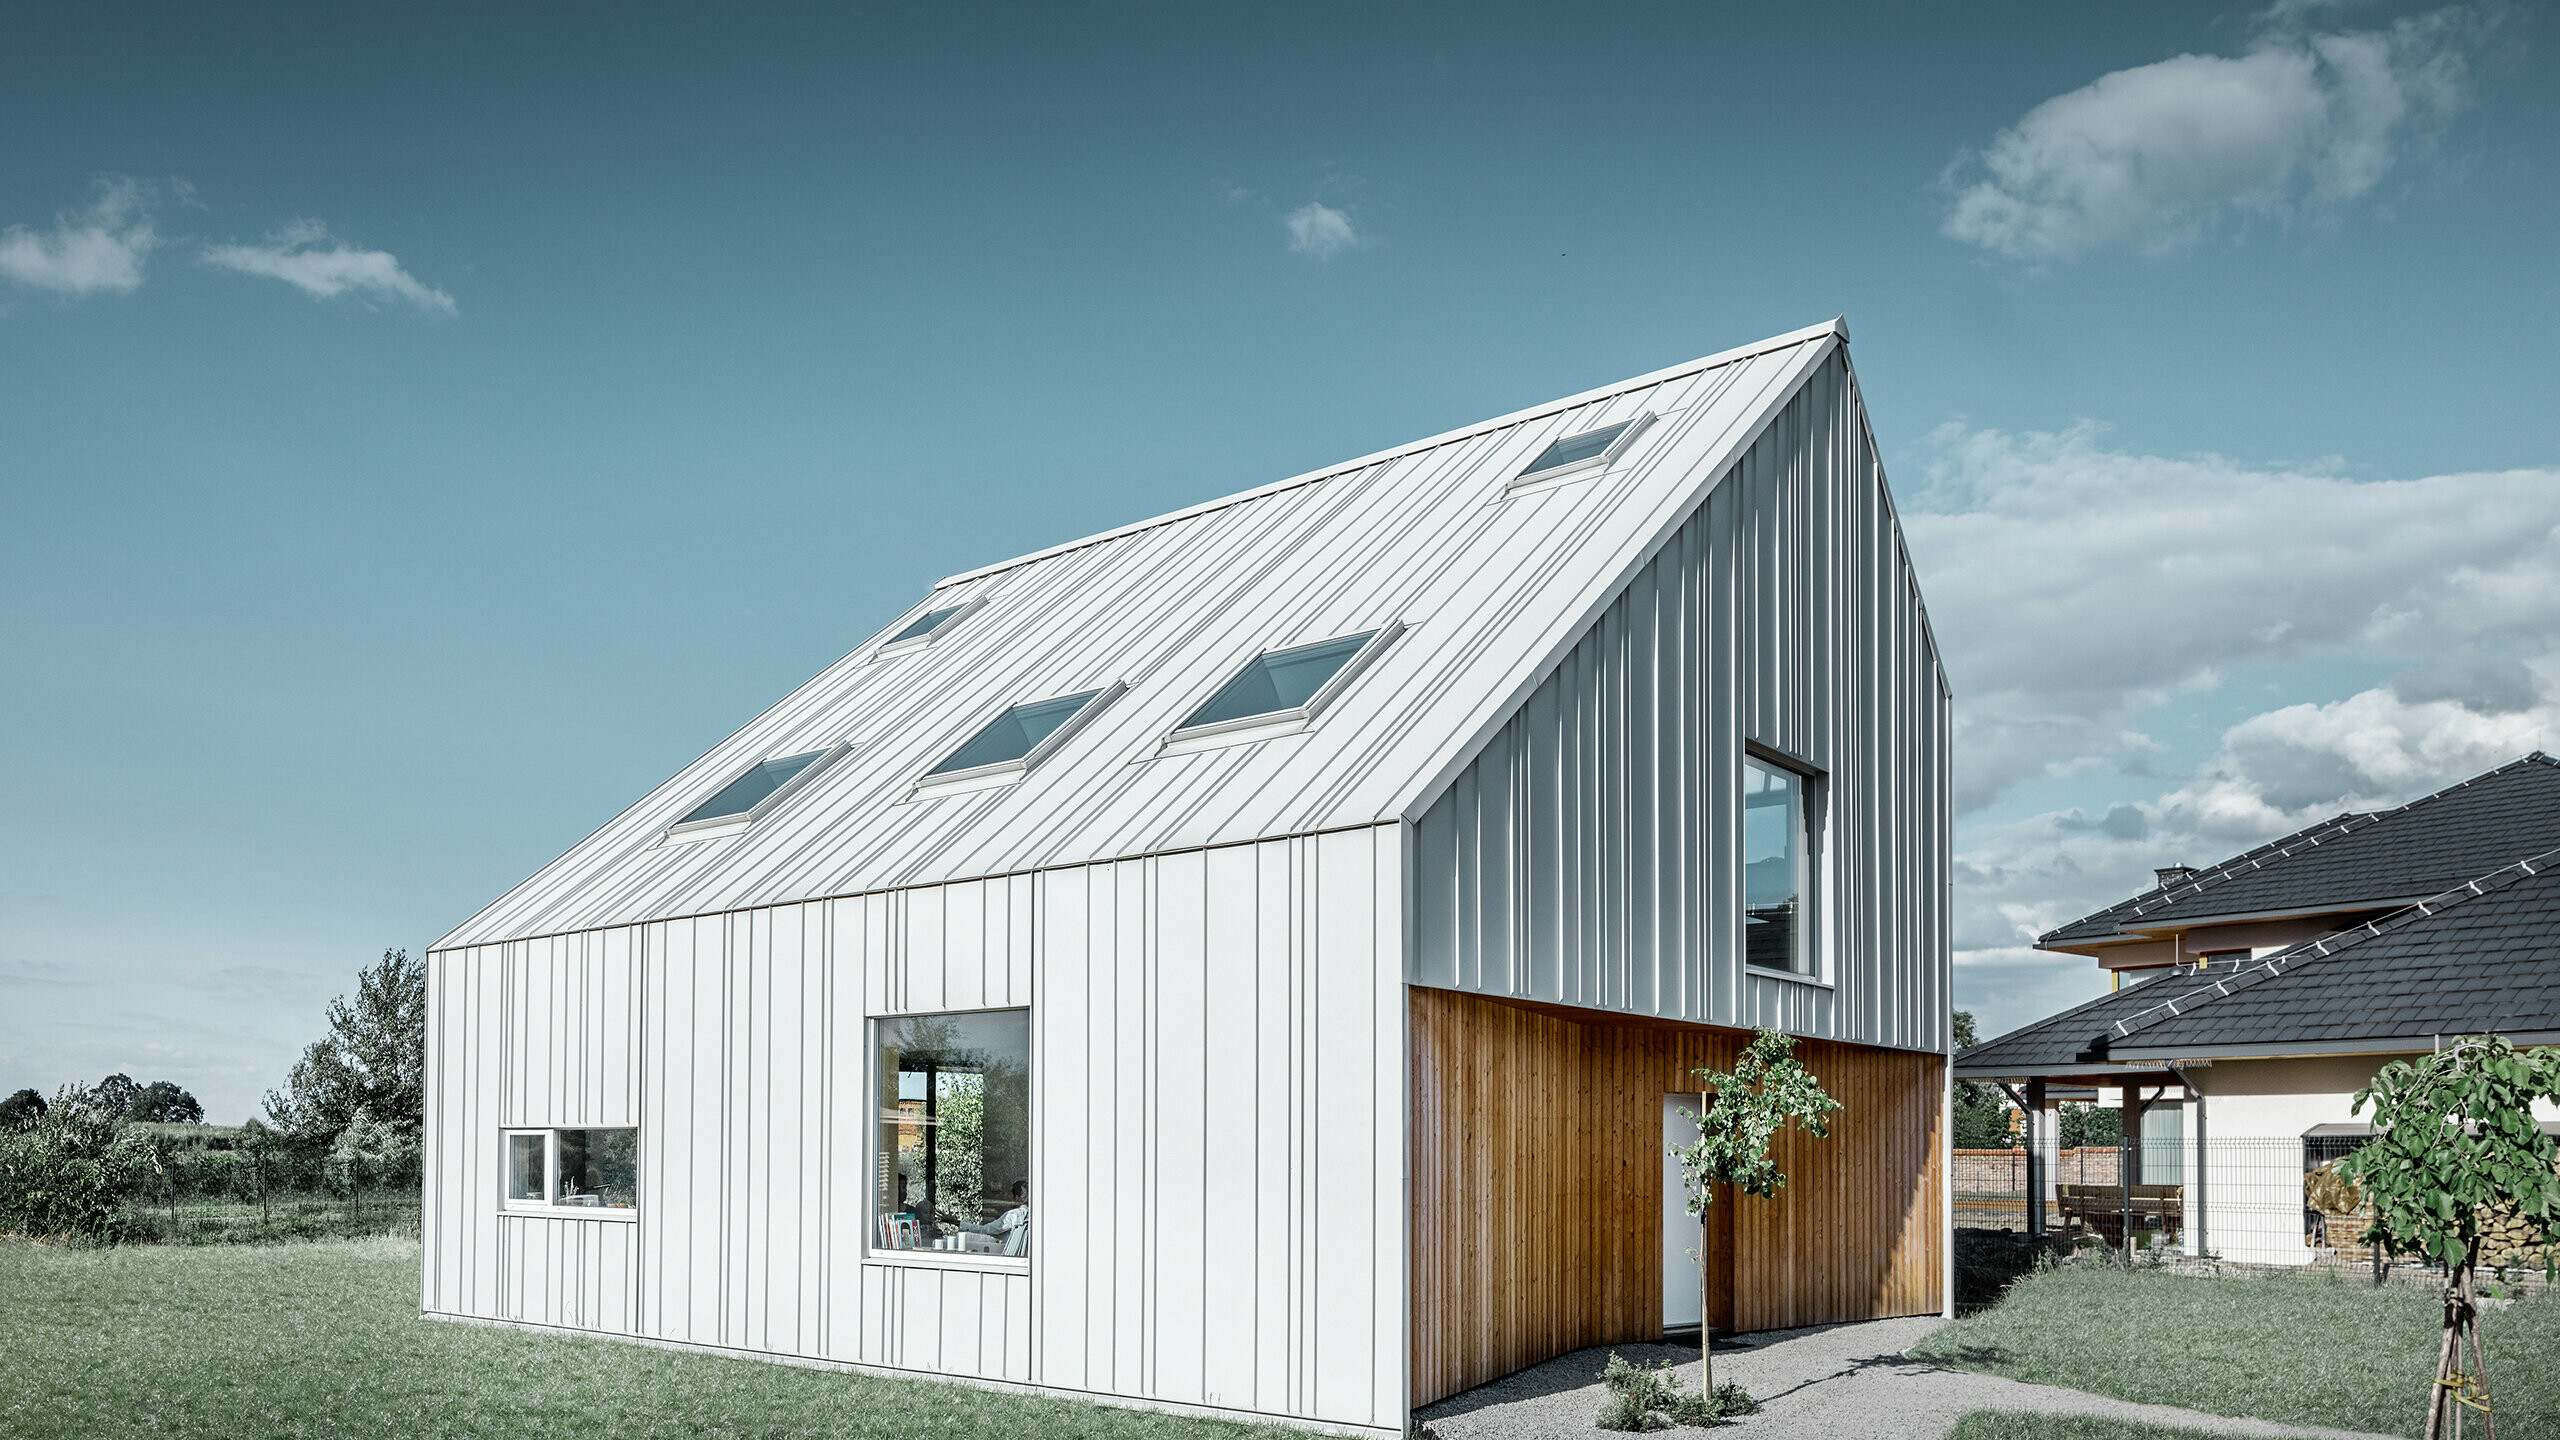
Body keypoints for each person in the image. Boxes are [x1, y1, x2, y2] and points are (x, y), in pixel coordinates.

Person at [956, 1179, 1030, 1257]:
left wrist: (956, 1223)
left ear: (1017, 1198)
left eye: (1010, 1195)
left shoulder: (1013, 1216)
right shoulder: (1035, 1215)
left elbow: (984, 1230)